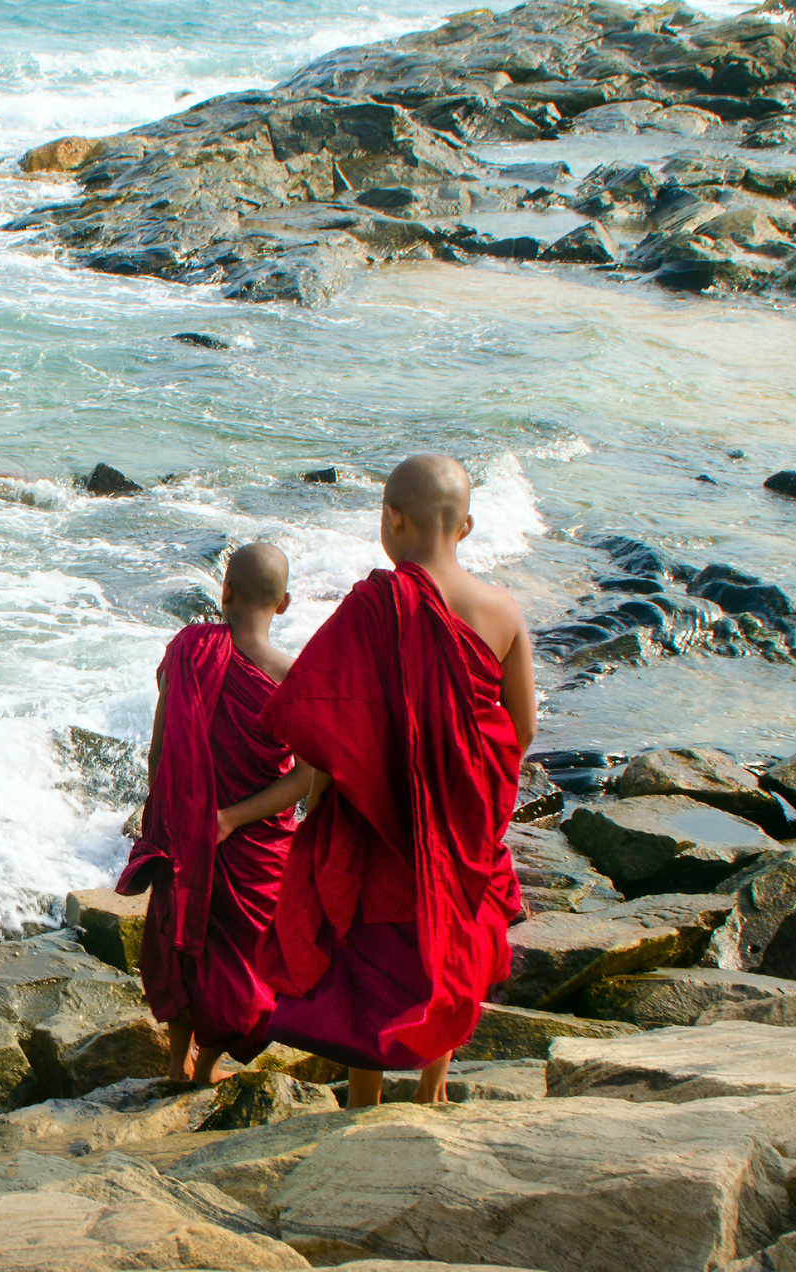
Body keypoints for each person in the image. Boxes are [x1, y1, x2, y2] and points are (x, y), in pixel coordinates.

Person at [255, 454, 535, 1108]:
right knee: (446, 948)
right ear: (464, 526)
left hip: (379, 820)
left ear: (391, 519)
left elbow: (320, 711)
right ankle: (433, 1091)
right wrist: (462, 784)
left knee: (371, 957)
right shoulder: (501, 611)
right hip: (459, 820)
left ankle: (365, 1095)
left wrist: (335, 790)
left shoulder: (372, 605)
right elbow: (519, 729)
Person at [117, 542, 316, 1085]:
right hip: (255, 841)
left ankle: (177, 1056)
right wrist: (232, 818)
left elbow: (161, 749)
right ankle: (207, 1065)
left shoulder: (189, 649)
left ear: (223, 592)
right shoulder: (293, 679)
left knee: (180, 936)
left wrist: (163, 812)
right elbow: (305, 778)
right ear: (285, 603)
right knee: (245, 957)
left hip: (186, 831)